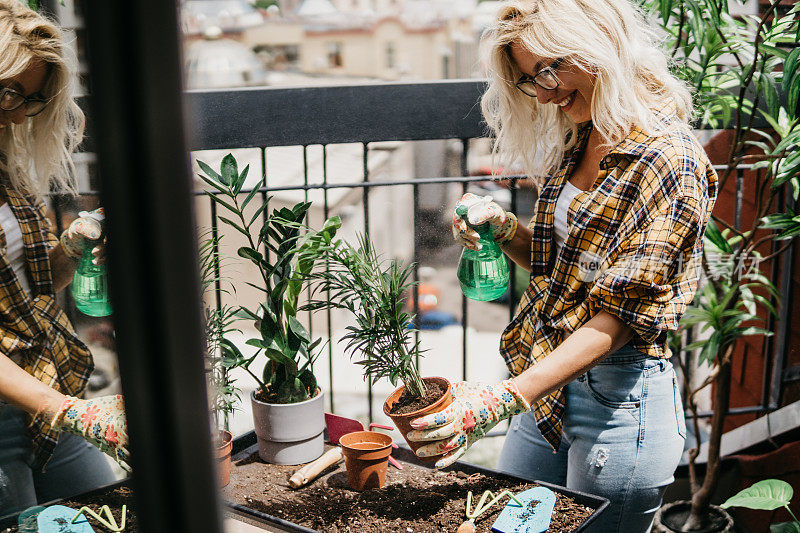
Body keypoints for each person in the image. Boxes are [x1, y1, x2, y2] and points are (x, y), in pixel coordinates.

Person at [406, 0, 718, 531]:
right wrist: (504, 229)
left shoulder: (672, 161)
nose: (545, 90)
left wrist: (500, 400)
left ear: (600, 41)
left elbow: (618, 318)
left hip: (619, 400)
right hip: (543, 382)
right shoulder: (581, 133)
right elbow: (560, 268)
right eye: (531, 79)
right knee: (506, 525)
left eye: (551, 67)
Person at [0, 1, 128, 518]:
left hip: (49, 392)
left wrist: (73, 244)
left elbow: (32, 288)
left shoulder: (5, 167)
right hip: (30, 411)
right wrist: (77, 413)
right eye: (8, 89)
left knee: (110, 515)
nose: (14, 114)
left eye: (28, 100)